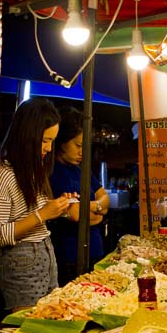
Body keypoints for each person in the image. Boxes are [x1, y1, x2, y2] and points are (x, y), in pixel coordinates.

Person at [0, 97, 72, 312]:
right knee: (27, 330)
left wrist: (57, 207)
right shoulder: (4, 173)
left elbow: (31, 213)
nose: (49, 148)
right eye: (44, 141)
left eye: (52, 141)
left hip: (44, 254)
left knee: (49, 322)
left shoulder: (33, 168)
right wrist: (43, 214)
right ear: (27, 136)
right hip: (21, 261)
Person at [49, 106, 110, 283]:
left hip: (95, 251)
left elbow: (105, 199)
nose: (82, 152)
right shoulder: (53, 173)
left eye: (85, 146)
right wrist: (97, 210)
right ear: (61, 141)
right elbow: (74, 214)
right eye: (77, 145)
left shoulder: (81, 169)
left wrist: (94, 207)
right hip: (69, 257)